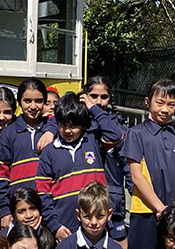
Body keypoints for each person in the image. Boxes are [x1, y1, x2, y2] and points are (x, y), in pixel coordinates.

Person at [121, 79, 175, 249]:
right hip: (145, 211)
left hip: (173, 214)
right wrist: (160, 208)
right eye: (160, 103)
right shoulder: (136, 134)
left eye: (171, 105)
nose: (165, 109)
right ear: (148, 102)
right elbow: (137, 177)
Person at [37, 92, 123, 240]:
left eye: (74, 126)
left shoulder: (93, 141)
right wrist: (54, 225)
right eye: (63, 125)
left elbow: (115, 134)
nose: (68, 131)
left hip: (95, 225)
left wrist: (93, 108)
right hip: (65, 227)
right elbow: (43, 193)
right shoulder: (49, 152)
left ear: (83, 125)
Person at [0, 78, 57, 229]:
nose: (33, 106)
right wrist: (4, 211)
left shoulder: (54, 131)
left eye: (39, 101)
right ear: (20, 102)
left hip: (50, 207)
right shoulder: (8, 134)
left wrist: (51, 129)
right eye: (27, 101)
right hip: (20, 210)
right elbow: (1, 176)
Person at [82, 76, 130, 249]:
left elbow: (127, 163)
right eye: (93, 96)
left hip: (112, 196)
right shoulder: (79, 123)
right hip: (84, 195)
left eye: (104, 97)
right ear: (84, 96)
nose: (99, 102)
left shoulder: (116, 125)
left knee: (118, 248)